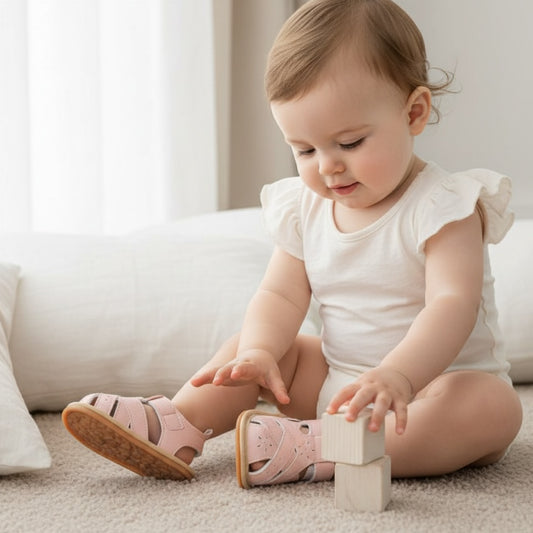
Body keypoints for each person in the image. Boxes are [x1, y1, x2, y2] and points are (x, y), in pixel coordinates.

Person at [62, 0, 522, 487]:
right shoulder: (304, 206)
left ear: (414, 112)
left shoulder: (445, 206)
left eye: (349, 143)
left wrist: (399, 376)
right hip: (334, 383)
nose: (327, 166)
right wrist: (261, 351)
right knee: (254, 350)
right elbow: (280, 295)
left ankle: (319, 448)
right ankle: (177, 424)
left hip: (424, 393)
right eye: (304, 149)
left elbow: (453, 303)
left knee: (491, 407)